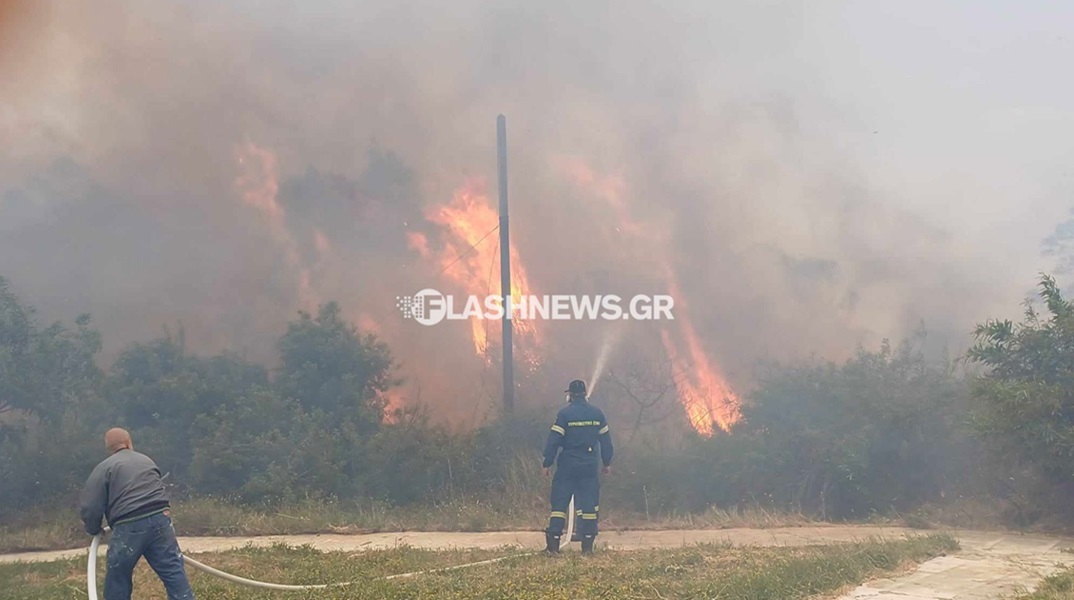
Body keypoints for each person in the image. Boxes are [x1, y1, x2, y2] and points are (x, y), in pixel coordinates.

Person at [79, 428, 195, 600]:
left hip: (129, 524)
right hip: (161, 518)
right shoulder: (146, 460)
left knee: (118, 577)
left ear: (108, 448)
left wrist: (94, 528)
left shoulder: (104, 468)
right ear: (128, 442)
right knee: (173, 570)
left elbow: (90, 506)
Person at [542, 379, 613, 555]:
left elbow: (553, 441)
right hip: (589, 466)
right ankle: (587, 546)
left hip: (568, 466)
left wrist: (547, 463)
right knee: (589, 504)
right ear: (585, 394)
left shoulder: (564, 415)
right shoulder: (597, 414)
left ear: (570, 396)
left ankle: (553, 547)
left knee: (559, 504)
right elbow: (606, 442)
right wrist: (607, 462)